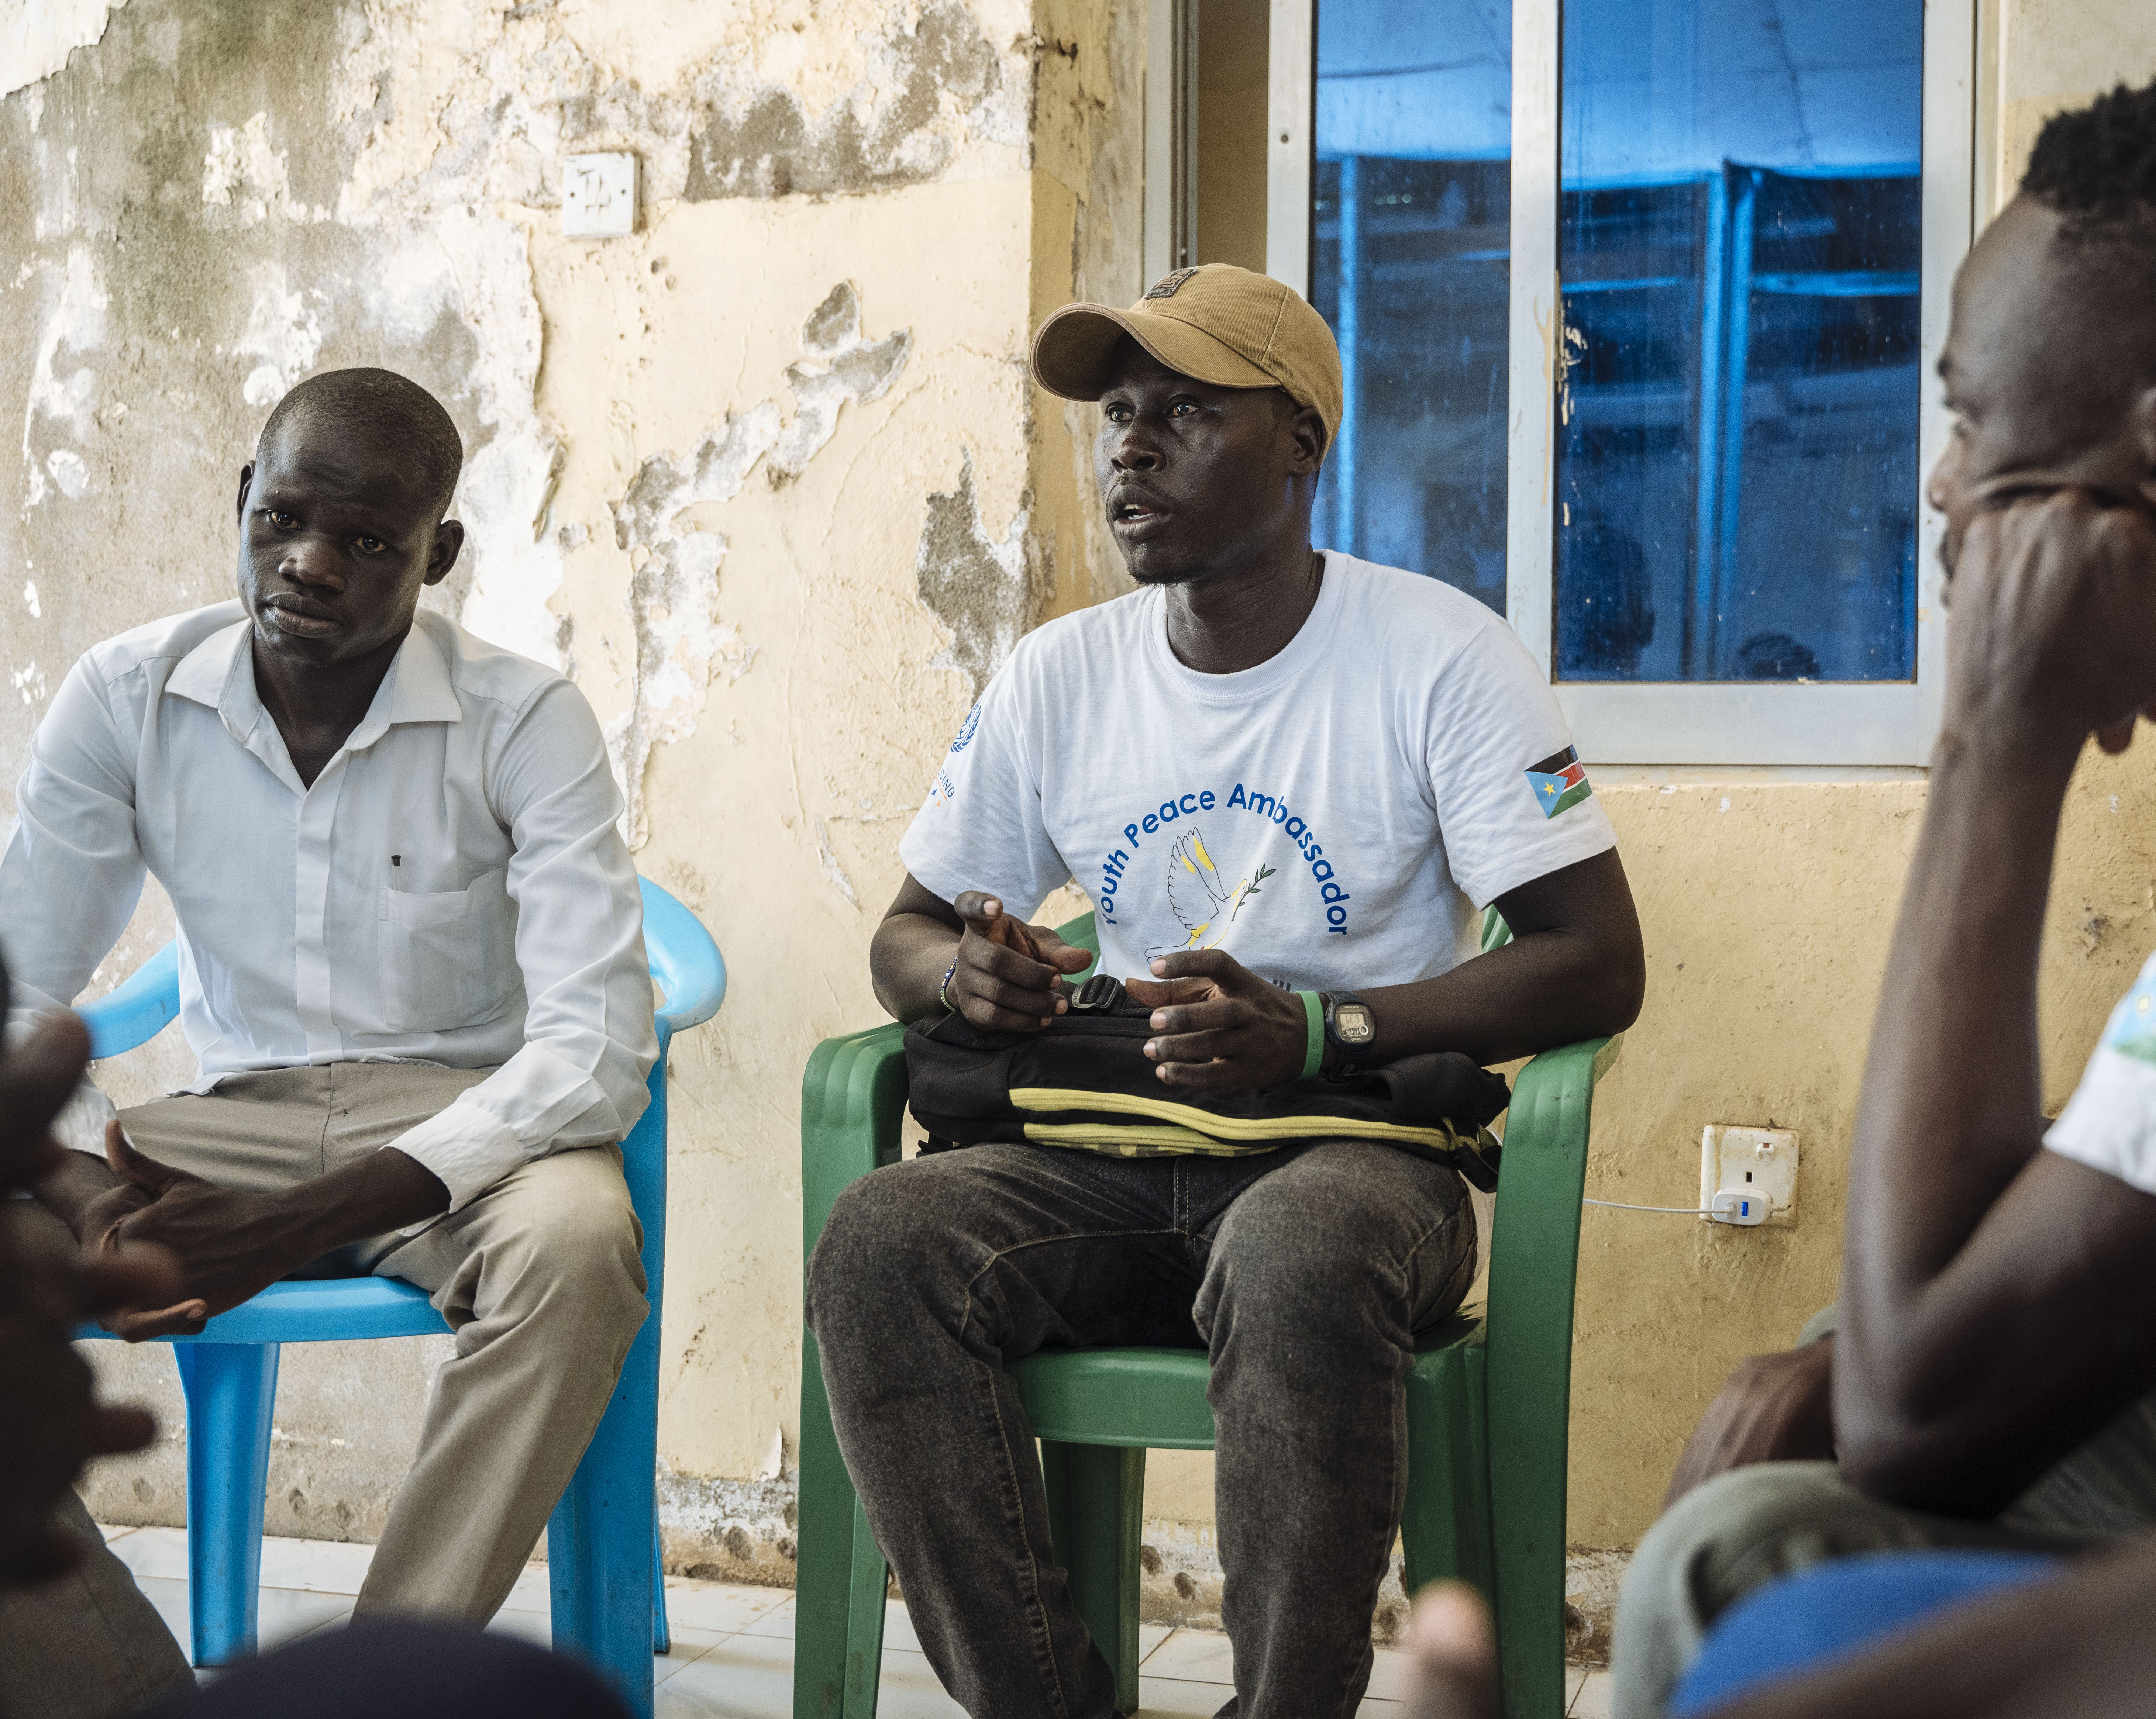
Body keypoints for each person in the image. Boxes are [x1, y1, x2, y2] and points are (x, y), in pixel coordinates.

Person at [1614, 71, 2156, 1717]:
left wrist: (1996, 744)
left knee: (1759, 1550)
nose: (1941, 485)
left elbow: (1934, 1399)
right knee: (1828, 1346)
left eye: (1971, 418)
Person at [806, 262, 1645, 1718]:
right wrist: (973, 974)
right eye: (1119, 414)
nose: (1130, 446)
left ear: (1303, 445)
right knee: (884, 1243)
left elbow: (1596, 958)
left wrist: (1326, 1026)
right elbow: (905, 935)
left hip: (1355, 1160)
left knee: (1299, 1257)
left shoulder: (1443, 657)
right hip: (1108, 1166)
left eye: (1186, 413)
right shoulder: (1058, 676)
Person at [0, 368, 657, 1718]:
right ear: (243, 499)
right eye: (284, 518)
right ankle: (113, 1690)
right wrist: (73, 1184)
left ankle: (373, 1689)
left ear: (440, 555)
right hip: (227, 1118)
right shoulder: (128, 696)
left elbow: (596, 1048)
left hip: (462, 1129)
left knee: (581, 1246)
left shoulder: (525, 720)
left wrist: (300, 1224)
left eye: (368, 542)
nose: (309, 564)